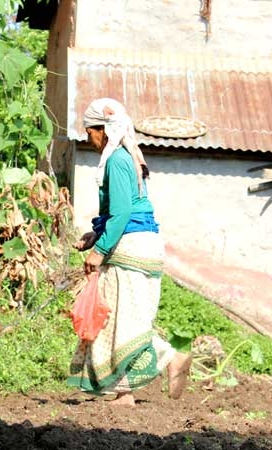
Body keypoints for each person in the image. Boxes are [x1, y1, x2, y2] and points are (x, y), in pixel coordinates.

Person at [68, 98, 192, 405]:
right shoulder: (128, 157)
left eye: (90, 131)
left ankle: (148, 373)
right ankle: (141, 379)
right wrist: (95, 235)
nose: (88, 139)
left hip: (131, 246)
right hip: (144, 243)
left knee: (118, 318)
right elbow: (122, 212)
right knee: (127, 317)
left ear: (104, 129)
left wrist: (100, 250)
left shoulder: (116, 160)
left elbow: (122, 213)